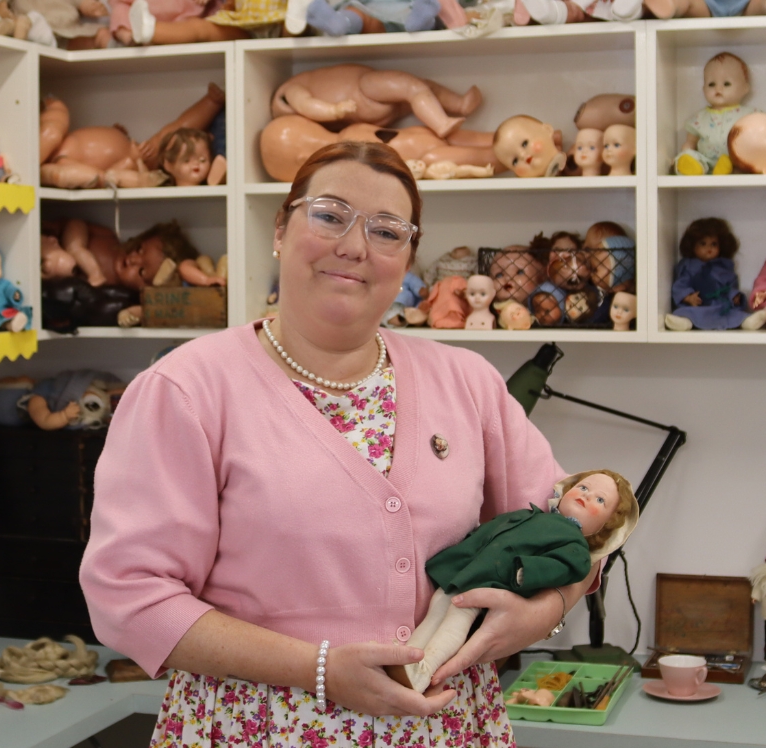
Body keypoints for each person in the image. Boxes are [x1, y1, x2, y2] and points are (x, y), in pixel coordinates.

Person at [80, 142, 596, 745]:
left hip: (446, 731)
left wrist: (544, 611)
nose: (354, 246)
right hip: (257, 730)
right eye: (329, 215)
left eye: (387, 230)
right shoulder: (186, 390)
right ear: (280, 227)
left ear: (408, 257)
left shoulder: (468, 384)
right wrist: (318, 669)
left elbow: (578, 531)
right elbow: (130, 596)